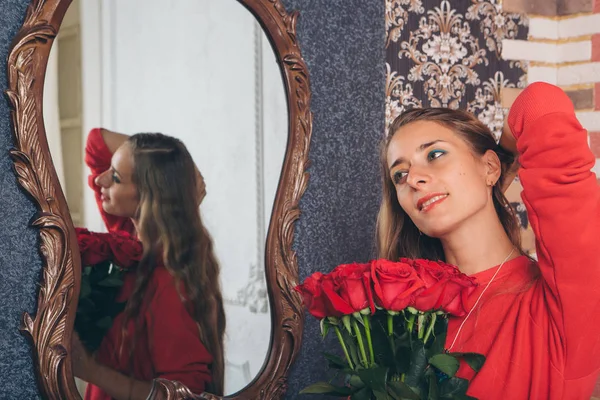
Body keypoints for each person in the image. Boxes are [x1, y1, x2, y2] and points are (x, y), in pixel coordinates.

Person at [377, 82, 600, 399]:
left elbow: (539, 103)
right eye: (400, 174)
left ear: (489, 166)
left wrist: (505, 167)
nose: (413, 179)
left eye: (435, 154)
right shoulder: (405, 314)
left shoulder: (565, 301)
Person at [71, 128, 225, 400]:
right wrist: (185, 174)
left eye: (115, 177)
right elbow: (96, 142)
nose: (99, 180)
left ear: (147, 198)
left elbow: (187, 396)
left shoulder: (168, 284)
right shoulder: (130, 241)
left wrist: (90, 370)